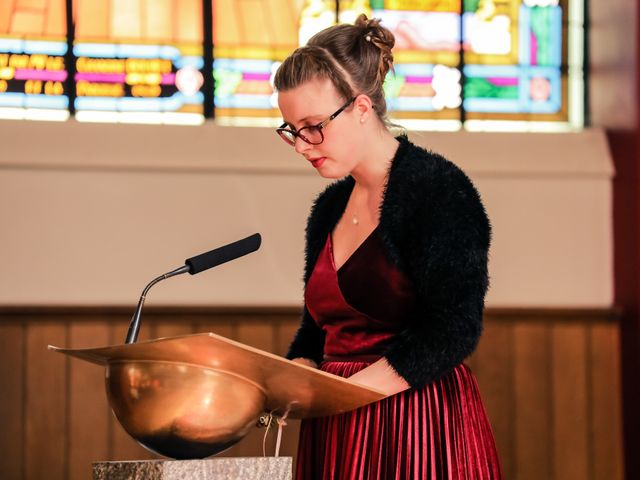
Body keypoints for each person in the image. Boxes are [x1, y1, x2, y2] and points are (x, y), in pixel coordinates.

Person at [273, 14, 503, 480]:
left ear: (361, 107)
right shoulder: (329, 207)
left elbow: (454, 328)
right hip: (336, 423)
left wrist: (352, 393)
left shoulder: (438, 190)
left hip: (416, 423)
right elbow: (317, 328)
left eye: (313, 126)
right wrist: (294, 375)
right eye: (291, 130)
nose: (301, 145)